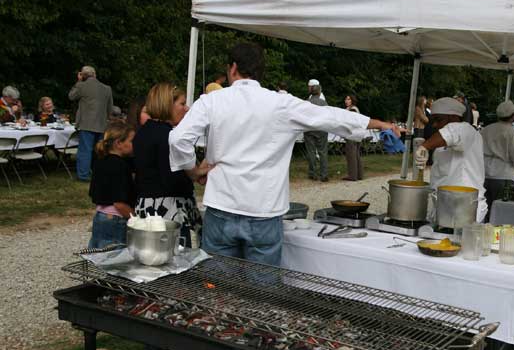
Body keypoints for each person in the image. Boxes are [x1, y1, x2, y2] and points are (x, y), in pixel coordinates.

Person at [169, 42, 402, 265]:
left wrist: (192, 169)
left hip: (221, 206)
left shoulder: (212, 101)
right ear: (260, 72)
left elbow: (179, 139)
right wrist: (380, 124)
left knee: (218, 288)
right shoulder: (281, 103)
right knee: (262, 292)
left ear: (233, 68)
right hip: (264, 210)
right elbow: (332, 117)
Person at [133, 82, 201, 247]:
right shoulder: (169, 137)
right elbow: (175, 178)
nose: (186, 109)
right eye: (182, 104)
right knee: (178, 262)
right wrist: (197, 173)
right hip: (169, 210)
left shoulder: (142, 133)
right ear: (167, 105)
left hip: (145, 207)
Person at [414, 97, 487, 222]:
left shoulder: (467, 130)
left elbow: (452, 132)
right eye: (433, 120)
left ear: (453, 117)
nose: (435, 124)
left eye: (438, 120)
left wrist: (424, 146)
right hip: (445, 206)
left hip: (464, 207)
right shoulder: (442, 144)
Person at [88, 121, 136, 249]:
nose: (135, 145)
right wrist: (138, 220)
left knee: (98, 254)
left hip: (100, 215)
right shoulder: (120, 166)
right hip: (116, 219)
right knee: (114, 258)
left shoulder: (100, 161)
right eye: (131, 141)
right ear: (119, 143)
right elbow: (119, 203)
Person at [481, 100, 514, 220]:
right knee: (502, 214)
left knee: (484, 212)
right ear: (513, 116)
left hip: (484, 175)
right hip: (504, 176)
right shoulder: (512, 133)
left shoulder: (485, 130)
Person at [68, 66, 114, 181]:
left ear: (82, 75)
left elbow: (71, 96)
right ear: (95, 74)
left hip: (86, 124)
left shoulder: (82, 86)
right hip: (102, 124)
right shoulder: (106, 88)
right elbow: (110, 109)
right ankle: (100, 172)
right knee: (100, 150)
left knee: (85, 150)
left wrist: (78, 81)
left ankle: (83, 175)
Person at [304, 81, 329, 181]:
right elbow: (328, 115)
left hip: (309, 129)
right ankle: (324, 174)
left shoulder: (306, 103)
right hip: (322, 129)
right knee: (323, 152)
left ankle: (312, 173)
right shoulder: (324, 103)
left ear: (311, 92)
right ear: (319, 92)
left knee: (311, 152)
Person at [342, 94, 364, 181]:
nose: (346, 101)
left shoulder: (353, 110)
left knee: (351, 155)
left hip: (352, 134)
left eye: (348, 99)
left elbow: (351, 122)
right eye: (346, 99)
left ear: (352, 100)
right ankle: (359, 175)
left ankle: (352, 176)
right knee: (356, 155)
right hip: (356, 134)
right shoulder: (353, 109)